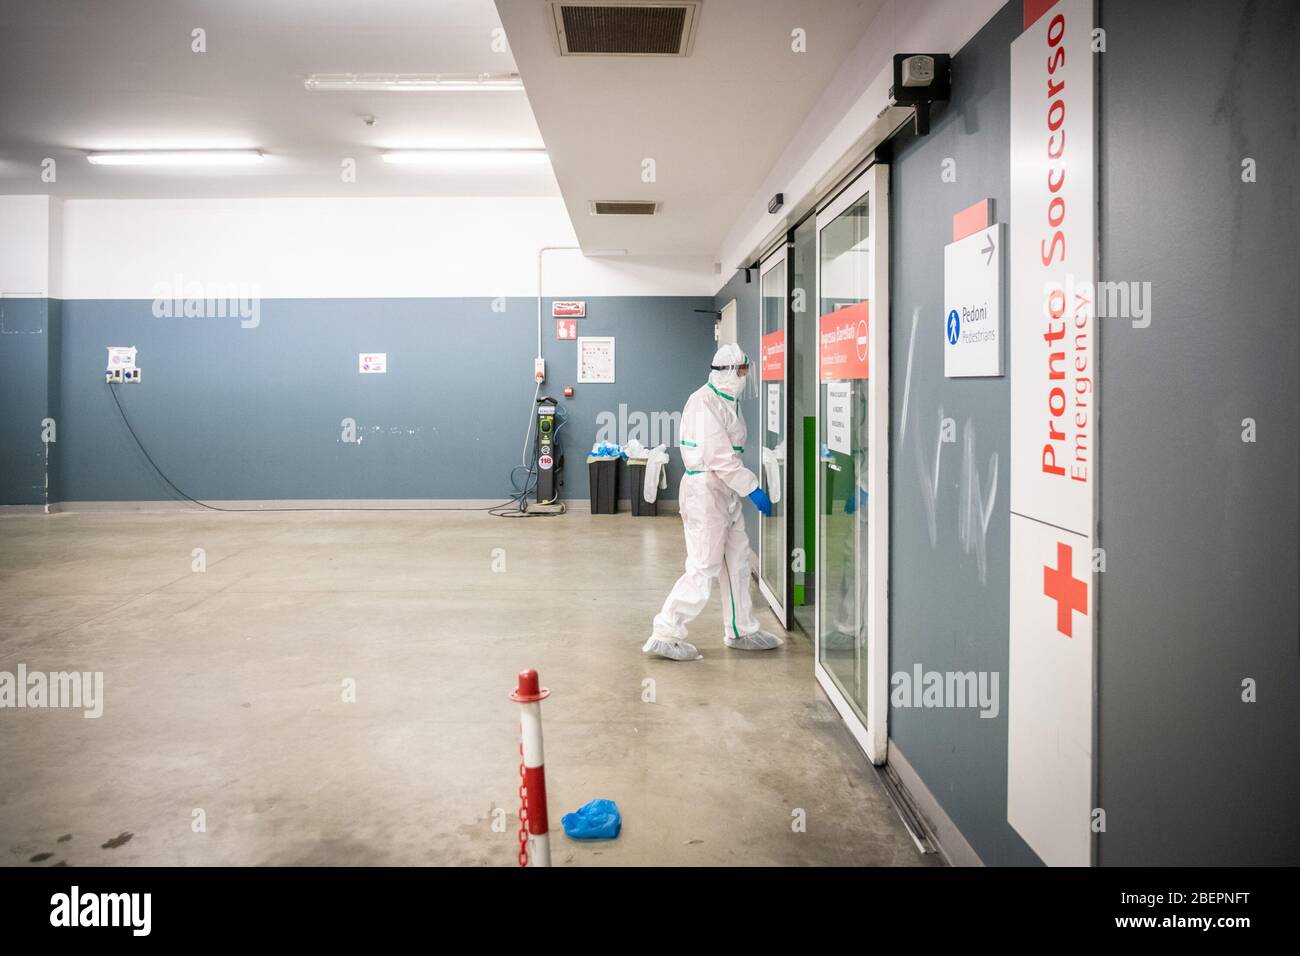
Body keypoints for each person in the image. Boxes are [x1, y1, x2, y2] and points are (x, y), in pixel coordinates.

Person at [643, 343, 786, 661]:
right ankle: (666, 631)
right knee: (704, 565)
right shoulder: (703, 401)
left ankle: (741, 629)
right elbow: (719, 456)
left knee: (737, 561)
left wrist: (742, 489)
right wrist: (752, 487)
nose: (747, 377)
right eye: (744, 371)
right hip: (705, 491)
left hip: (725, 491)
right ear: (731, 372)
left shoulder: (728, 402)